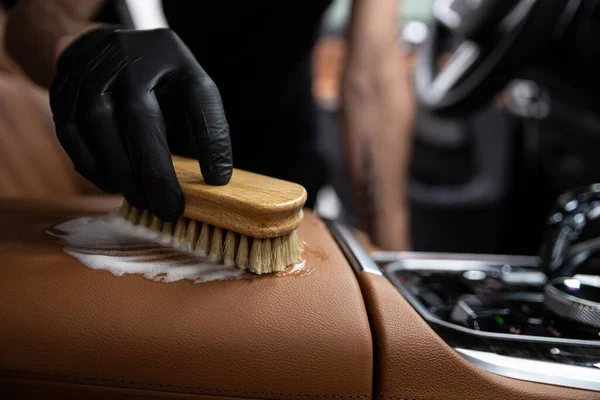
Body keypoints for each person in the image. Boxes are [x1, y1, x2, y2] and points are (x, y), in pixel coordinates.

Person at [4, 0, 413, 250]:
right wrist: (80, 47)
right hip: (168, 164)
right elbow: (36, 18)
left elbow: (373, 77)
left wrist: (394, 255)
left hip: (289, 151)